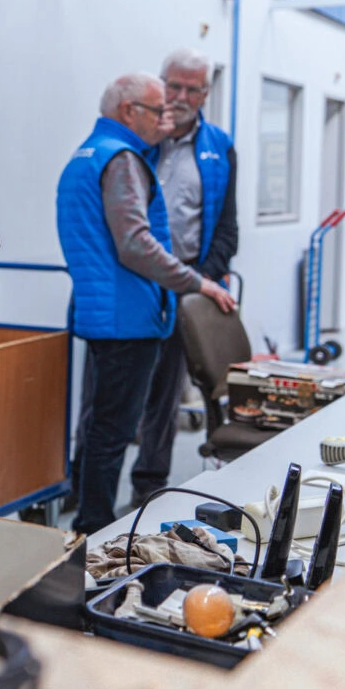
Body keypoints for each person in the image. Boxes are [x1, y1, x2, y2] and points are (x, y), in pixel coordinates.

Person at [57, 73, 235, 535]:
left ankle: (88, 517)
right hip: (129, 318)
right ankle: (94, 526)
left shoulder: (88, 154)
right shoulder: (121, 160)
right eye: (158, 110)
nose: (167, 118)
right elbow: (136, 245)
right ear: (129, 111)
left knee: (101, 424)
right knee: (112, 432)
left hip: (107, 312)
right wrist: (198, 283)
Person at [130, 49, 239, 502]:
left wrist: (201, 282)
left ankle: (148, 482)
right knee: (114, 382)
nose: (180, 97)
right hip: (133, 280)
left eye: (192, 89)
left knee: (166, 388)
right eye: (172, 86)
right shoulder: (136, 140)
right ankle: (86, 479)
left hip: (187, 281)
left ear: (206, 93)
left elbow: (227, 230)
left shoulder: (219, 147)